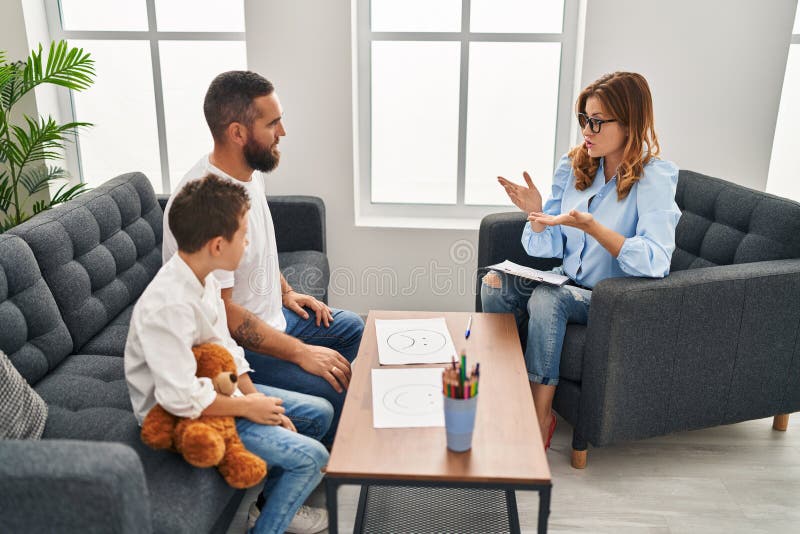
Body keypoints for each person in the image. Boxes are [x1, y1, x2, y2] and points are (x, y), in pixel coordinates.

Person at [162, 71, 364, 448]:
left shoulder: (247, 173)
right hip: (234, 346)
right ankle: (318, 467)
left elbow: (260, 249)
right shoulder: (207, 209)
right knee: (331, 383)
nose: (282, 132)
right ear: (238, 133)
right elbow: (225, 318)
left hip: (272, 317)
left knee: (353, 327)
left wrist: (285, 292)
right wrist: (302, 354)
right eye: (272, 123)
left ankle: (337, 444)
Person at [481, 71, 681, 450]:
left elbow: (657, 260)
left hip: (611, 297)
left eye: (597, 122)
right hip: (565, 279)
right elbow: (551, 245)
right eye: (584, 119)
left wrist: (594, 229)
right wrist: (537, 215)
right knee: (494, 283)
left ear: (629, 123)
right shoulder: (574, 165)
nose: (587, 131)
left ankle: (540, 417)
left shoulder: (654, 177)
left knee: (547, 299)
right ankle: (502, 391)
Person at [126, 175, 331, 534]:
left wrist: (256, 398)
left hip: (213, 388)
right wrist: (248, 407)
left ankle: (264, 504)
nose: (248, 242)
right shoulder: (168, 306)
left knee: (320, 413)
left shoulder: (203, 279)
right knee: (313, 458)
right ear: (218, 245)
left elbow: (226, 352)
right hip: (179, 416)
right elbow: (179, 399)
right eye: (243, 234)